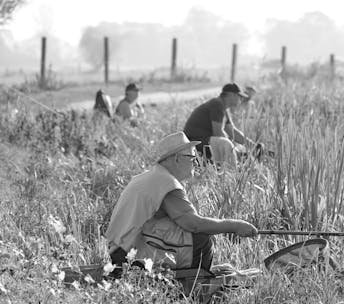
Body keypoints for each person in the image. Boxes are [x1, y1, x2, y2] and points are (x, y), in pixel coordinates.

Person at [105, 131, 258, 272]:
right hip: (128, 255)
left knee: (186, 231)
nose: (196, 162)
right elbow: (194, 224)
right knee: (200, 239)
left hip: (120, 250)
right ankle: (195, 286)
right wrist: (234, 226)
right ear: (177, 159)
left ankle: (199, 274)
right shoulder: (165, 182)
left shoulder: (152, 177)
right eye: (192, 157)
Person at [183, 83, 258, 167]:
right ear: (231, 95)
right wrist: (236, 152)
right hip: (194, 143)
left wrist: (253, 146)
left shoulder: (223, 108)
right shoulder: (217, 104)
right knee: (225, 144)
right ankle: (233, 170)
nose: (241, 99)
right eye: (239, 96)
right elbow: (218, 133)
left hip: (203, 142)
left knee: (229, 145)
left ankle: (234, 166)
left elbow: (232, 131)